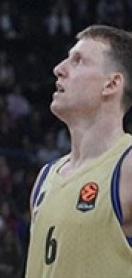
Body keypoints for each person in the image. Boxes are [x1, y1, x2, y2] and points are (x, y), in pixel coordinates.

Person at [24, 25, 132, 277]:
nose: (59, 69)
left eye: (79, 61)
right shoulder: (45, 177)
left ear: (112, 83)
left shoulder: (127, 166)